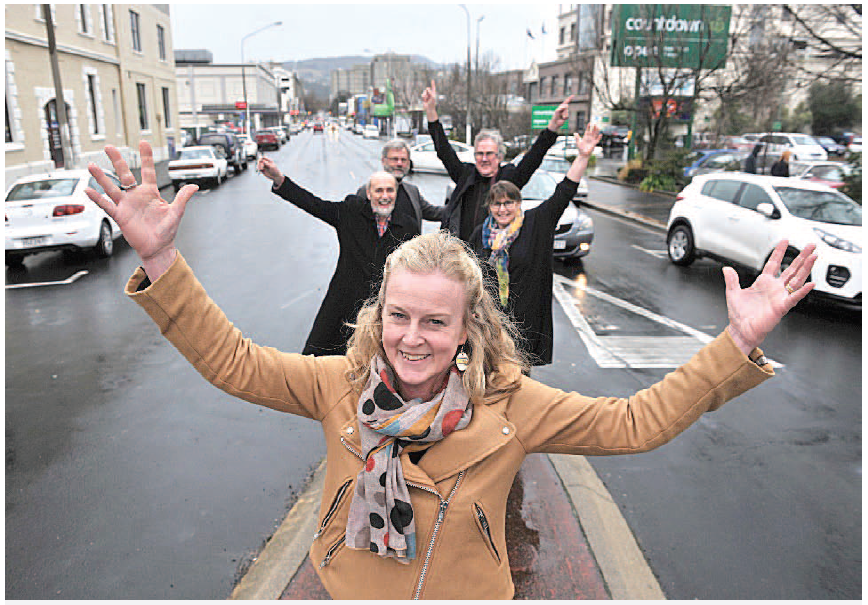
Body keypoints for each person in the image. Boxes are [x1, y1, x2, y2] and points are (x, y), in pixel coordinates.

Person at [86, 141, 817, 600]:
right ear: (380, 314)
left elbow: (636, 422)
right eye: (399, 315)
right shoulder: (340, 382)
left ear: (467, 327)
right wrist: (160, 261)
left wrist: (733, 343)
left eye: (436, 321)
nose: (412, 338)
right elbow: (232, 361)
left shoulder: (512, 402)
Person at [257, 155, 418, 356]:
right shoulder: (351, 212)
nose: (384, 196)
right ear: (369, 193)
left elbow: (415, 271)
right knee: (318, 363)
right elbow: (314, 205)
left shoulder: (408, 226)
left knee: (373, 368)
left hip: (381, 312)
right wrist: (279, 179)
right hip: (342, 305)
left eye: (389, 190)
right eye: (379, 190)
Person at [470, 124, 601, 367]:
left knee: (518, 389)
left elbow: (564, 191)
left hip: (522, 329)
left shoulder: (535, 224)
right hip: (488, 329)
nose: (503, 209)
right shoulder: (481, 234)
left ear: (519, 203)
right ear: (490, 207)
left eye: (509, 203)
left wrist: (583, 156)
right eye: (497, 204)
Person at [420, 80, 572, 241]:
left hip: (496, 255)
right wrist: (431, 111)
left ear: (499, 156)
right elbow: (444, 150)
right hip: (461, 256)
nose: (484, 159)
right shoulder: (465, 175)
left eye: (489, 153)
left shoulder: (510, 177)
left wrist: (553, 128)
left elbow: (533, 157)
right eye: (479, 154)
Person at [356, 138, 444, 229]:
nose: (399, 164)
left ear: (409, 163)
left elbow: (434, 213)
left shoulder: (412, 191)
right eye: (394, 159)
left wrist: (458, 202)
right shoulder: (367, 192)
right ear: (383, 161)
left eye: (403, 160)